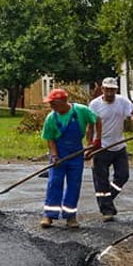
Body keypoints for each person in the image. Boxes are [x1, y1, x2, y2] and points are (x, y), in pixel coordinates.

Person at [88, 77, 133, 222]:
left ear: (116, 90)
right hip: (101, 147)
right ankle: (107, 211)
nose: (109, 92)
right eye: (107, 89)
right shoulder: (94, 105)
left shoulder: (123, 102)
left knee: (123, 176)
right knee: (101, 180)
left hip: (119, 146)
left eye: (112, 90)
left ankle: (106, 199)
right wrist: (89, 146)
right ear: (102, 89)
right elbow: (90, 127)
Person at [39, 88, 100, 229]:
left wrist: (95, 140)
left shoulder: (81, 111)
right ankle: (49, 215)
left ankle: (70, 216)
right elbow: (50, 139)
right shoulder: (51, 118)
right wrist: (54, 156)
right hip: (59, 155)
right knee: (54, 182)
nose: (51, 107)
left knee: (74, 184)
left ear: (62, 102)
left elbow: (96, 120)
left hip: (76, 154)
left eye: (53, 104)